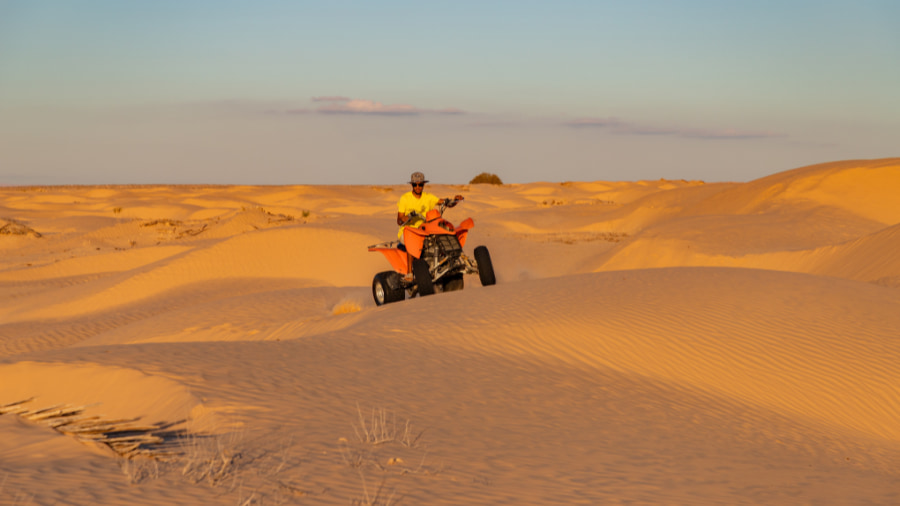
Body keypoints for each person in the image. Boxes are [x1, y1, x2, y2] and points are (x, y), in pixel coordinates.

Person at [396, 171, 463, 243]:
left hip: (425, 230)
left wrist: (455, 200)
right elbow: (399, 221)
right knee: (413, 244)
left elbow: (445, 203)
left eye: (420, 184)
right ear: (412, 185)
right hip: (407, 231)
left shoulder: (428, 197)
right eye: (415, 185)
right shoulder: (404, 198)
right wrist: (404, 219)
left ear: (423, 184)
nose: (417, 187)